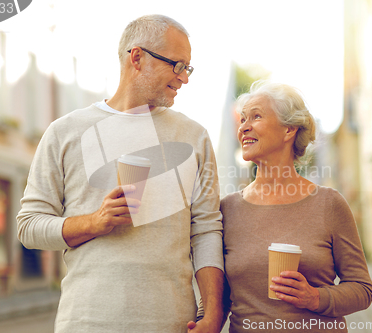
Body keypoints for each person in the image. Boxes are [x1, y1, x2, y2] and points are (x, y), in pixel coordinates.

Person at [17, 15, 224, 333]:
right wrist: (95, 221)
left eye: (188, 67)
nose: (184, 78)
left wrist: (212, 312)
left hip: (172, 323)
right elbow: (29, 227)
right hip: (87, 322)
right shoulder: (65, 132)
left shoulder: (194, 137)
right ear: (137, 57)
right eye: (177, 65)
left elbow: (207, 231)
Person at [217, 81, 372, 332]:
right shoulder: (227, 209)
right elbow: (218, 298)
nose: (244, 127)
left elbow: (362, 289)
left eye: (256, 117)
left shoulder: (329, 204)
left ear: (289, 130)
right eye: (243, 119)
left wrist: (315, 297)